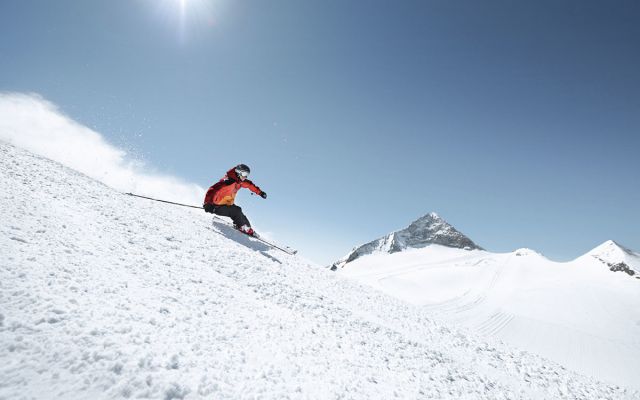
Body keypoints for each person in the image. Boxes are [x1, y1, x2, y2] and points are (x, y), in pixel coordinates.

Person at [203, 164, 267, 236]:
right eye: (244, 174)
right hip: (216, 206)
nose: (245, 176)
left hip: (226, 204)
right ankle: (242, 227)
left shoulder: (240, 181)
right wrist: (207, 203)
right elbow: (212, 189)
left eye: (247, 174)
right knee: (236, 211)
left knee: (240, 213)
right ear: (238, 172)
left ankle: (247, 227)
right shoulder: (228, 181)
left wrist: (260, 193)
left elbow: (250, 185)